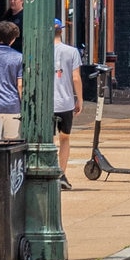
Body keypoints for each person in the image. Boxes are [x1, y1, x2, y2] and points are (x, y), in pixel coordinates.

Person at [52, 20, 83, 188]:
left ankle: (49, 172)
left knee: (48, 140)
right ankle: (62, 174)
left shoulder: (41, 50)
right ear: (61, 32)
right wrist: (80, 98)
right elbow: (76, 77)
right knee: (65, 138)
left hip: (47, 103)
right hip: (65, 102)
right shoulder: (72, 52)